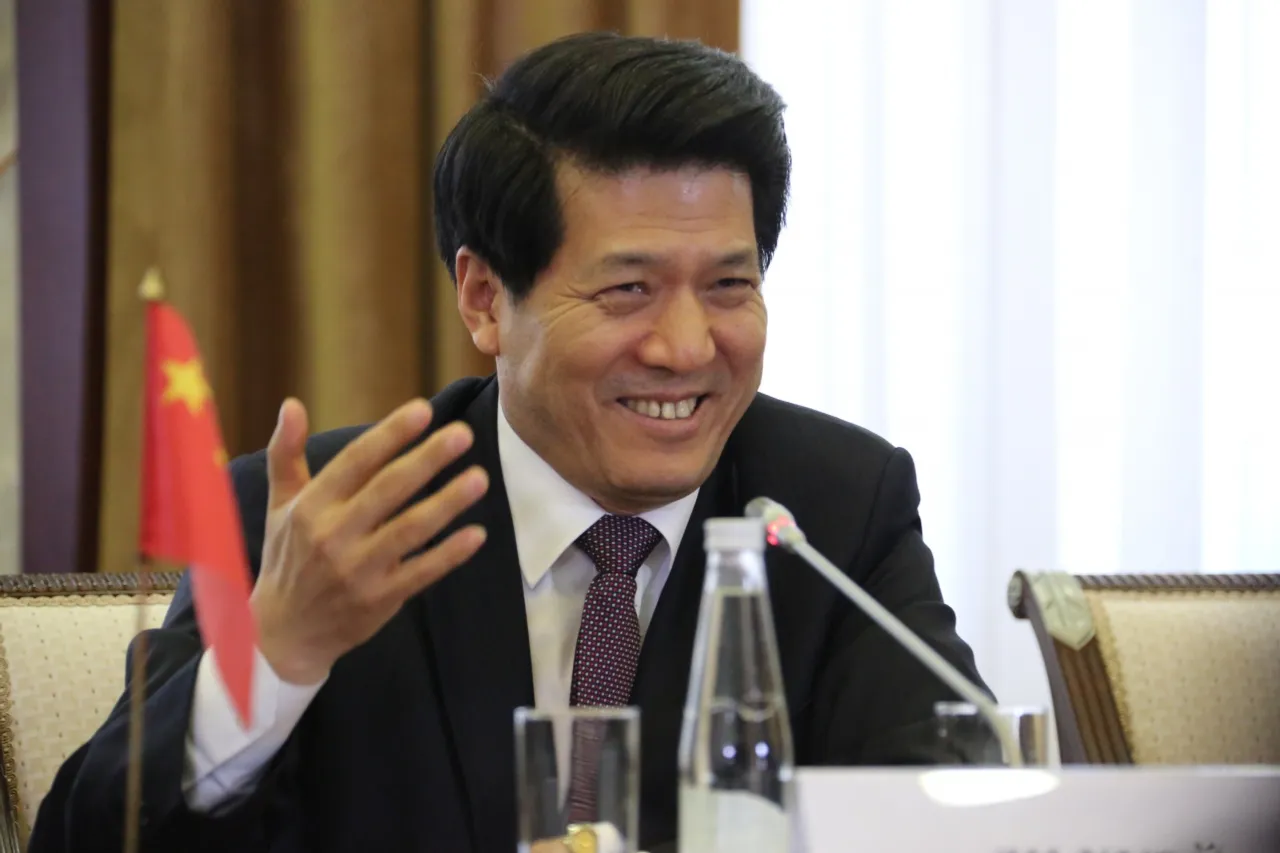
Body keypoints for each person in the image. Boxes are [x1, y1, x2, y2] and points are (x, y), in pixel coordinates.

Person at [30, 31, 988, 853]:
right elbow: (86, 835)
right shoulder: (321, 523)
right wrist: (275, 656)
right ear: (486, 298)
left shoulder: (833, 507)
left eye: (729, 286)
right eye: (628, 289)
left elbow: (950, 802)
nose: (688, 347)